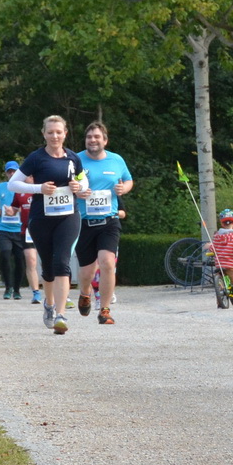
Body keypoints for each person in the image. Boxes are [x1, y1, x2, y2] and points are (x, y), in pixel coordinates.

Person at [10, 116, 86, 334]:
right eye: (50, 132)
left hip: (68, 216)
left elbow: (83, 181)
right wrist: (39, 189)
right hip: (41, 219)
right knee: (49, 267)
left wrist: (79, 186)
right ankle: (49, 304)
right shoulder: (36, 158)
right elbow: (13, 184)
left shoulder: (73, 158)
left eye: (58, 132)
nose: (55, 136)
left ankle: (61, 315)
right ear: (44, 134)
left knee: (63, 261)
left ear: (65, 133)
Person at [75, 121, 134, 324]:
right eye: (89, 137)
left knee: (107, 263)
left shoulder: (116, 160)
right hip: (83, 222)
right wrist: (77, 191)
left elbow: (128, 180)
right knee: (87, 271)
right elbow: (66, 184)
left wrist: (123, 189)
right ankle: (84, 293)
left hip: (109, 221)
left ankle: (105, 309)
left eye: (97, 137)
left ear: (105, 140)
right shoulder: (76, 160)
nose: (93, 140)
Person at [0, 161, 28, 299]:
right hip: (4, 229)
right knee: (5, 255)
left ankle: (17, 290)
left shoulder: (25, 187)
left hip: (20, 230)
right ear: (6, 173)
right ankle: (8, 287)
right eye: (9, 171)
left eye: (14, 171)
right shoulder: (0, 187)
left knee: (20, 260)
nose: (12, 174)